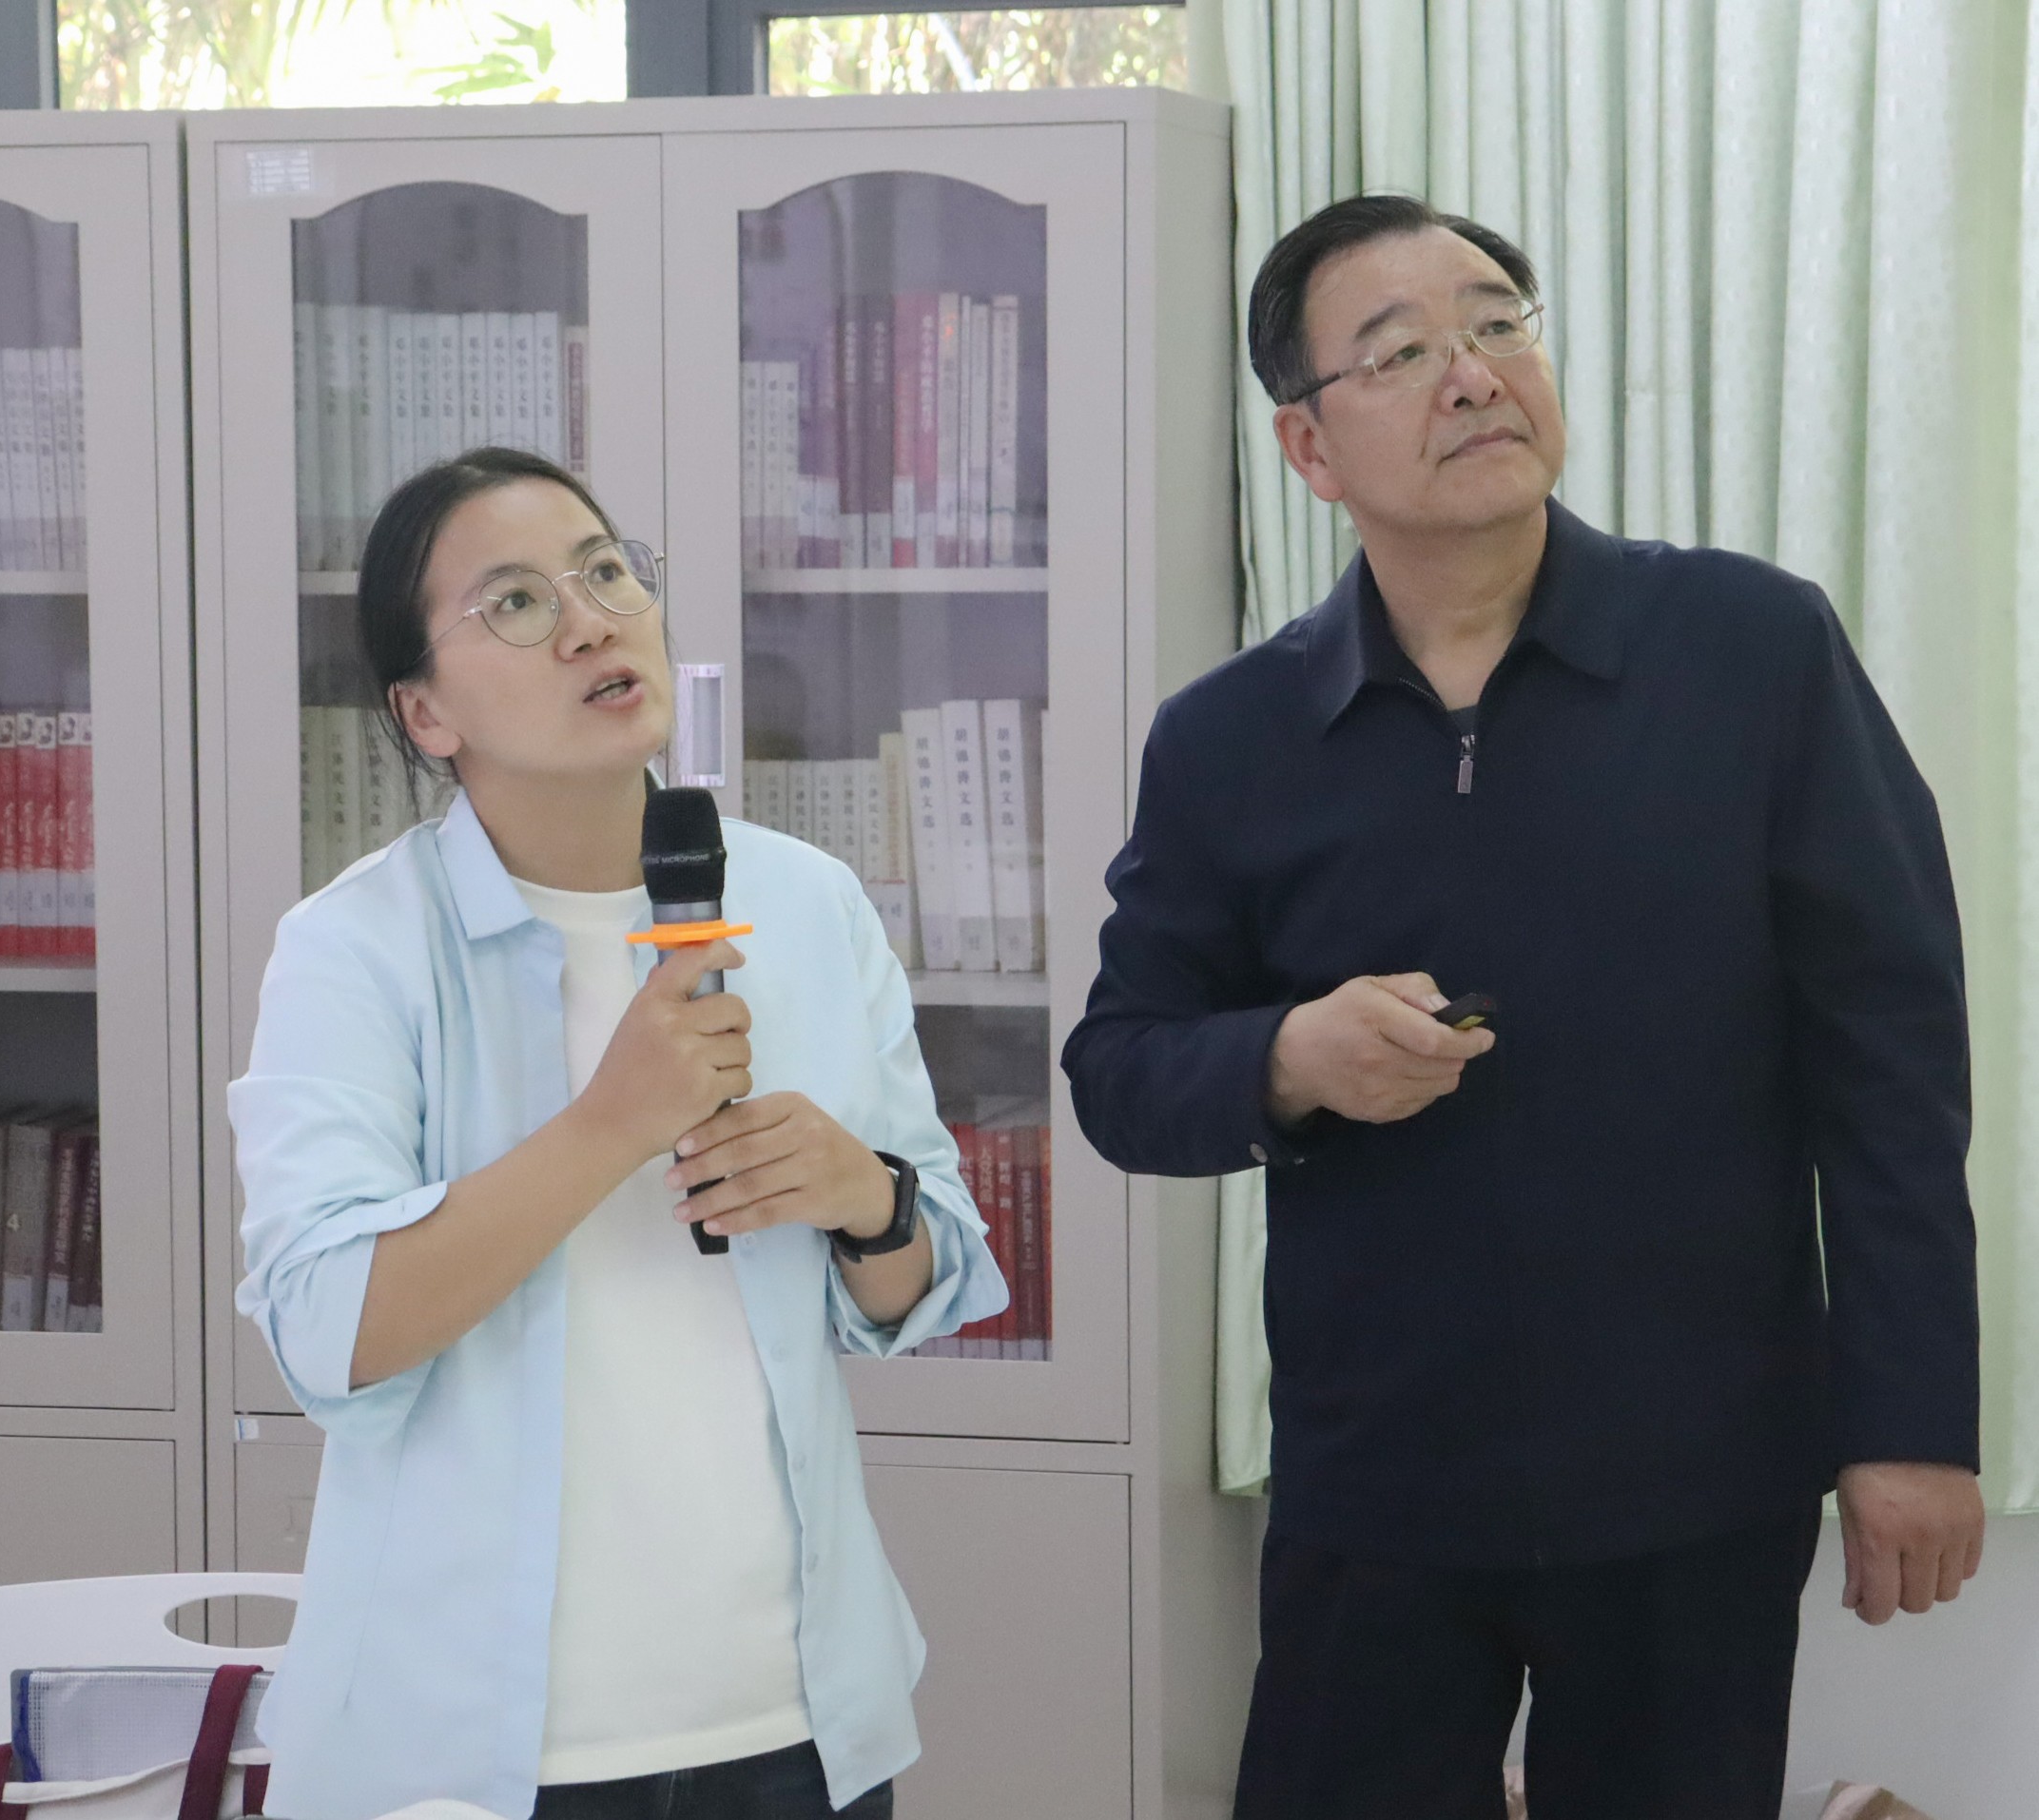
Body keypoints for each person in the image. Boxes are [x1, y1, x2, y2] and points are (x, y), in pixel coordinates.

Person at [1062, 195, 1984, 1818]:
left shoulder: (1749, 649)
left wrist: (1909, 1420)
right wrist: (1286, 1054)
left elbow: (1890, 1062)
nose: (1473, 372)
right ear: (1307, 446)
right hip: (1376, 1478)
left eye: (1497, 322)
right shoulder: (1230, 737)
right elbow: (1118, 1069)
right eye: (1399, 350)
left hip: (1693, 1472)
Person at [231, 447, 1006, 1820]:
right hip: (478, 1757)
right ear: (424, 711)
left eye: (604, 572)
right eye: (517, 602)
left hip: (796, 1722)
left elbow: (919, 1280)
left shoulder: (805, 901)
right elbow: (328, 1328)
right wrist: (607, 1126)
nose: (590, 621)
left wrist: (866, 1195)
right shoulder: (354, 947)